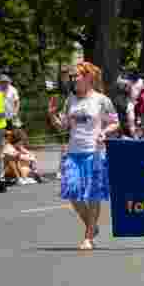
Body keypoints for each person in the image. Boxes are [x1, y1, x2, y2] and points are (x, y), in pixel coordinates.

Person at [47, 61, 119, 250]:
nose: (73, 79)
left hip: (94, 152)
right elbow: (62, 126)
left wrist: (104, 132)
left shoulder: (101, 100)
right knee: (72, 192)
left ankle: (88, 237)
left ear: (87, 77)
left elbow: (114, 122)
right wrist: (52, 115)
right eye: (72, 76)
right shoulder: (70, 99)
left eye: (76, 75)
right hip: (74, 152)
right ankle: (92, 225)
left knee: (93, 195)